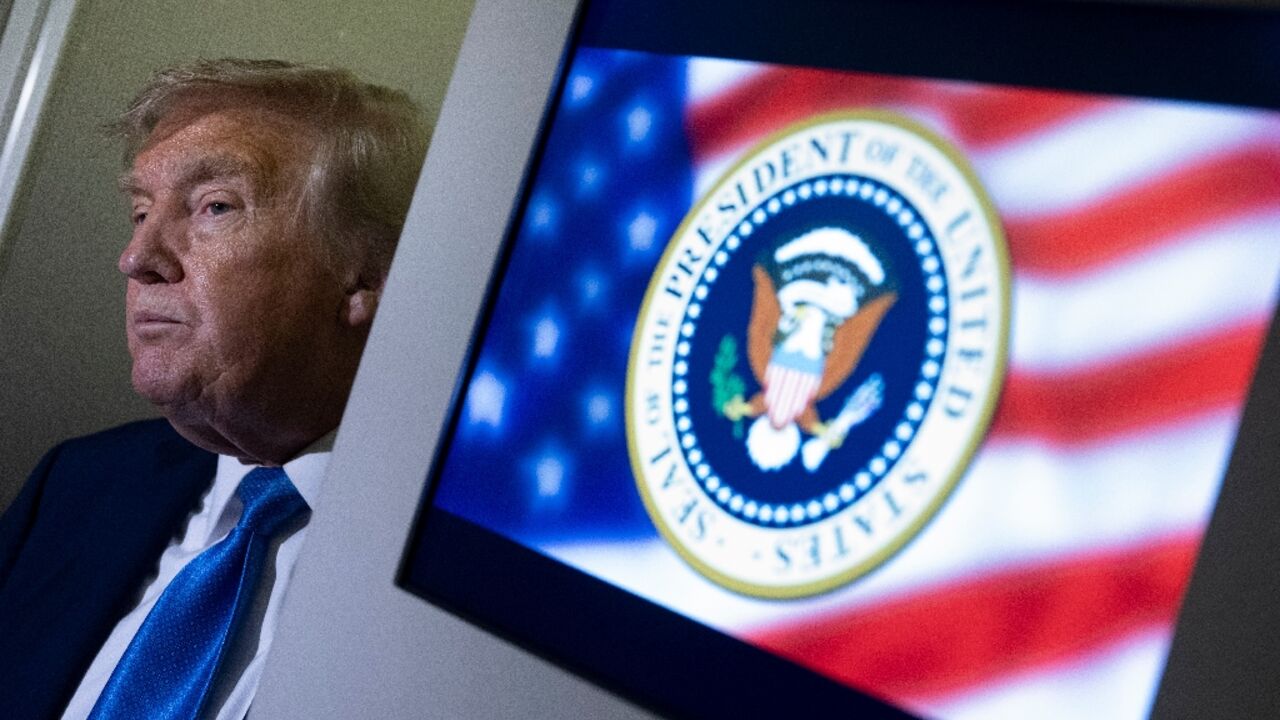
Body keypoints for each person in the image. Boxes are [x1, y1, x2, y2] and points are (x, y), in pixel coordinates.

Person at [0, 59, 429, 720]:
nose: (137, 256)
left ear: (367, 273)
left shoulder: (460, 562)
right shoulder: (79, 483)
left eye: (214, 206)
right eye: (140, 211)